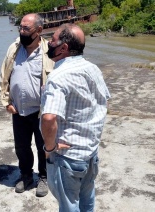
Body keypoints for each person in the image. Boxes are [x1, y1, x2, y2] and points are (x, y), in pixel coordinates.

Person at [40, 23, 111, 211]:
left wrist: (50, 147)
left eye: (53, 40)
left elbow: (48, 118)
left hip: (68, 157)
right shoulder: (93, 68)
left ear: (64, 48)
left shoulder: (58, 76)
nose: (49, 42)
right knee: (87, 200)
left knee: (69, 205)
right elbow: (102, 102)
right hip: (90, 152)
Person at [0, 13, 54, 197]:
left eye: (26, 28)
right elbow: (4, 75)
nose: (21, 31)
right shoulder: (14, 49)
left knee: (43, 146)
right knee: (21, 147)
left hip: (41, 111)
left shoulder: (49, 51)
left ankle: (44, 177)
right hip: (18, 109)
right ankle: (26, 175)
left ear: (39, 30)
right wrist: (6, 102)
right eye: (20, 27)